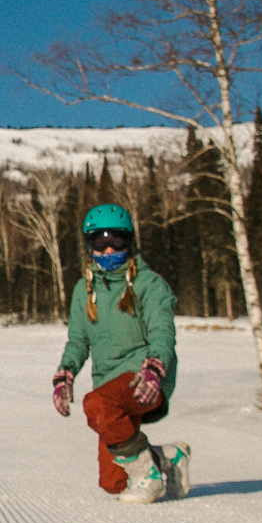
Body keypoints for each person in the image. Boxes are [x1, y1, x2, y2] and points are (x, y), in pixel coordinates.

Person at [51, 204, 191, 504]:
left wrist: (155, 368)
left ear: (130, 242)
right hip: (109, 388)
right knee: (113, 483)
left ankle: (149, 476)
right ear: (89, 245)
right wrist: (65, 373)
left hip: (145, 381)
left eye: (117, 240)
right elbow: (77, 341)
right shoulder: (82, 291)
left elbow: (163, 333)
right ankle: (167, 457)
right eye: (100, 241)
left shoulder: (149, 284)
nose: (109, 248)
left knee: (97, 404)